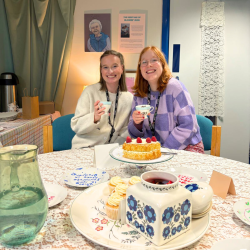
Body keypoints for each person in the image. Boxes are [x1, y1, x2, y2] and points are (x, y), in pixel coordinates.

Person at [128, 46, 204, 153]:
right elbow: (134, 134)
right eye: (144, 62)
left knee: (165, 170)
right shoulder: (139, 95)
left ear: (162, 64)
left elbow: (188, 126)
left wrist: (163, 151)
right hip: (156, 150)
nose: (149, 65)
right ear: (140, 68)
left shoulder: (175, 87)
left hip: (185, 146)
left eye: (154, 60)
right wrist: (137, 123)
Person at [71, 50, 133, 148]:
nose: (110, 71)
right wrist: (94, 117)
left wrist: (114, 148)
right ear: (101, 70)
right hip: (85, 148)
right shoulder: (89, 92)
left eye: (114, 66)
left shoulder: (129, 98)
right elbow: (76, 126)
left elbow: (125, 131)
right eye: (105, 67)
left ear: (122, 68)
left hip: (112, 150)